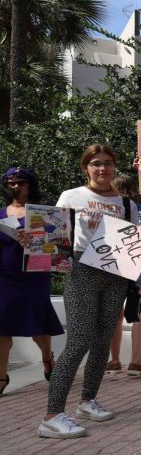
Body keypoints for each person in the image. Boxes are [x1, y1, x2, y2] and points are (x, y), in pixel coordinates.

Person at [39, 145, 140, 438]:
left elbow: (131, 242)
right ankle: (52, 415)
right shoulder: (71, 197)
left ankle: (87, 401)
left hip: (116, 274)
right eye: (96, 164)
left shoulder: (127, 203)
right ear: (86, 167)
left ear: (114, 167)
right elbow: (53, 237)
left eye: (108, 163)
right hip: (82, 270)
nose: (102, 169)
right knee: (79, 340)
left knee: (102, 340)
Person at [0, 168, 64, 396]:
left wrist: (33, 241)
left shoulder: (43, 212)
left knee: (38, 323)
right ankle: (1, 376)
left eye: (20, 182)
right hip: (5, 275)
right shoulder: (1, 213)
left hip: (34, 274)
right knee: (2, 326)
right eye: (10, 182)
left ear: (30, 184)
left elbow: (57, 244)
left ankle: (47, 359)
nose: (15, 186)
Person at [106, 175, 141, 377]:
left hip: (115, 263)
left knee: (114, 315)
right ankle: (136, 361)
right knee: (139, 313)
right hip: (140, 261)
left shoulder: (111, 208)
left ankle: (114, 360)